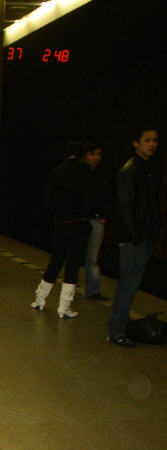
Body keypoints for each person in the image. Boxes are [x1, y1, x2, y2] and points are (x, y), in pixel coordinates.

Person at [107, 126, 160, 347]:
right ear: (135, 143)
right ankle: (116, 331)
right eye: (147, 140)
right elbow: (125, 206)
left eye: (154, 140)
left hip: (141, 236)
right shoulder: (131, 171)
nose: (152, 144)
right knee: (128, 285)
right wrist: (136, 237)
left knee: (130, 284)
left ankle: (120, 325)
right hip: (134, 239)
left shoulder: (144, 168)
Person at [30, 141, 91, 318]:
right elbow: (89, 201)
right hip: (78, 222)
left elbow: (48, 199)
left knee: (56, 261)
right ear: (82, 155)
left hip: (60, 223)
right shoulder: (84, 173)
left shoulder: (56, 172)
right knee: (72, 264)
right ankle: (64, 307)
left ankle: (40, 299)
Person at [80, 140, 110, 301]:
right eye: (92, 154)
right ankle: (70, 287)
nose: (96, 158)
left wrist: (104, 215)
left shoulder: (101, 174)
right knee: (77, 255)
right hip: (81, 218)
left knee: (92, 256)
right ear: (85, 156)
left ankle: (91, 290)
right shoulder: (80, 173)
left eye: (98, 154)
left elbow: (107, 196)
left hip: (96, 219)